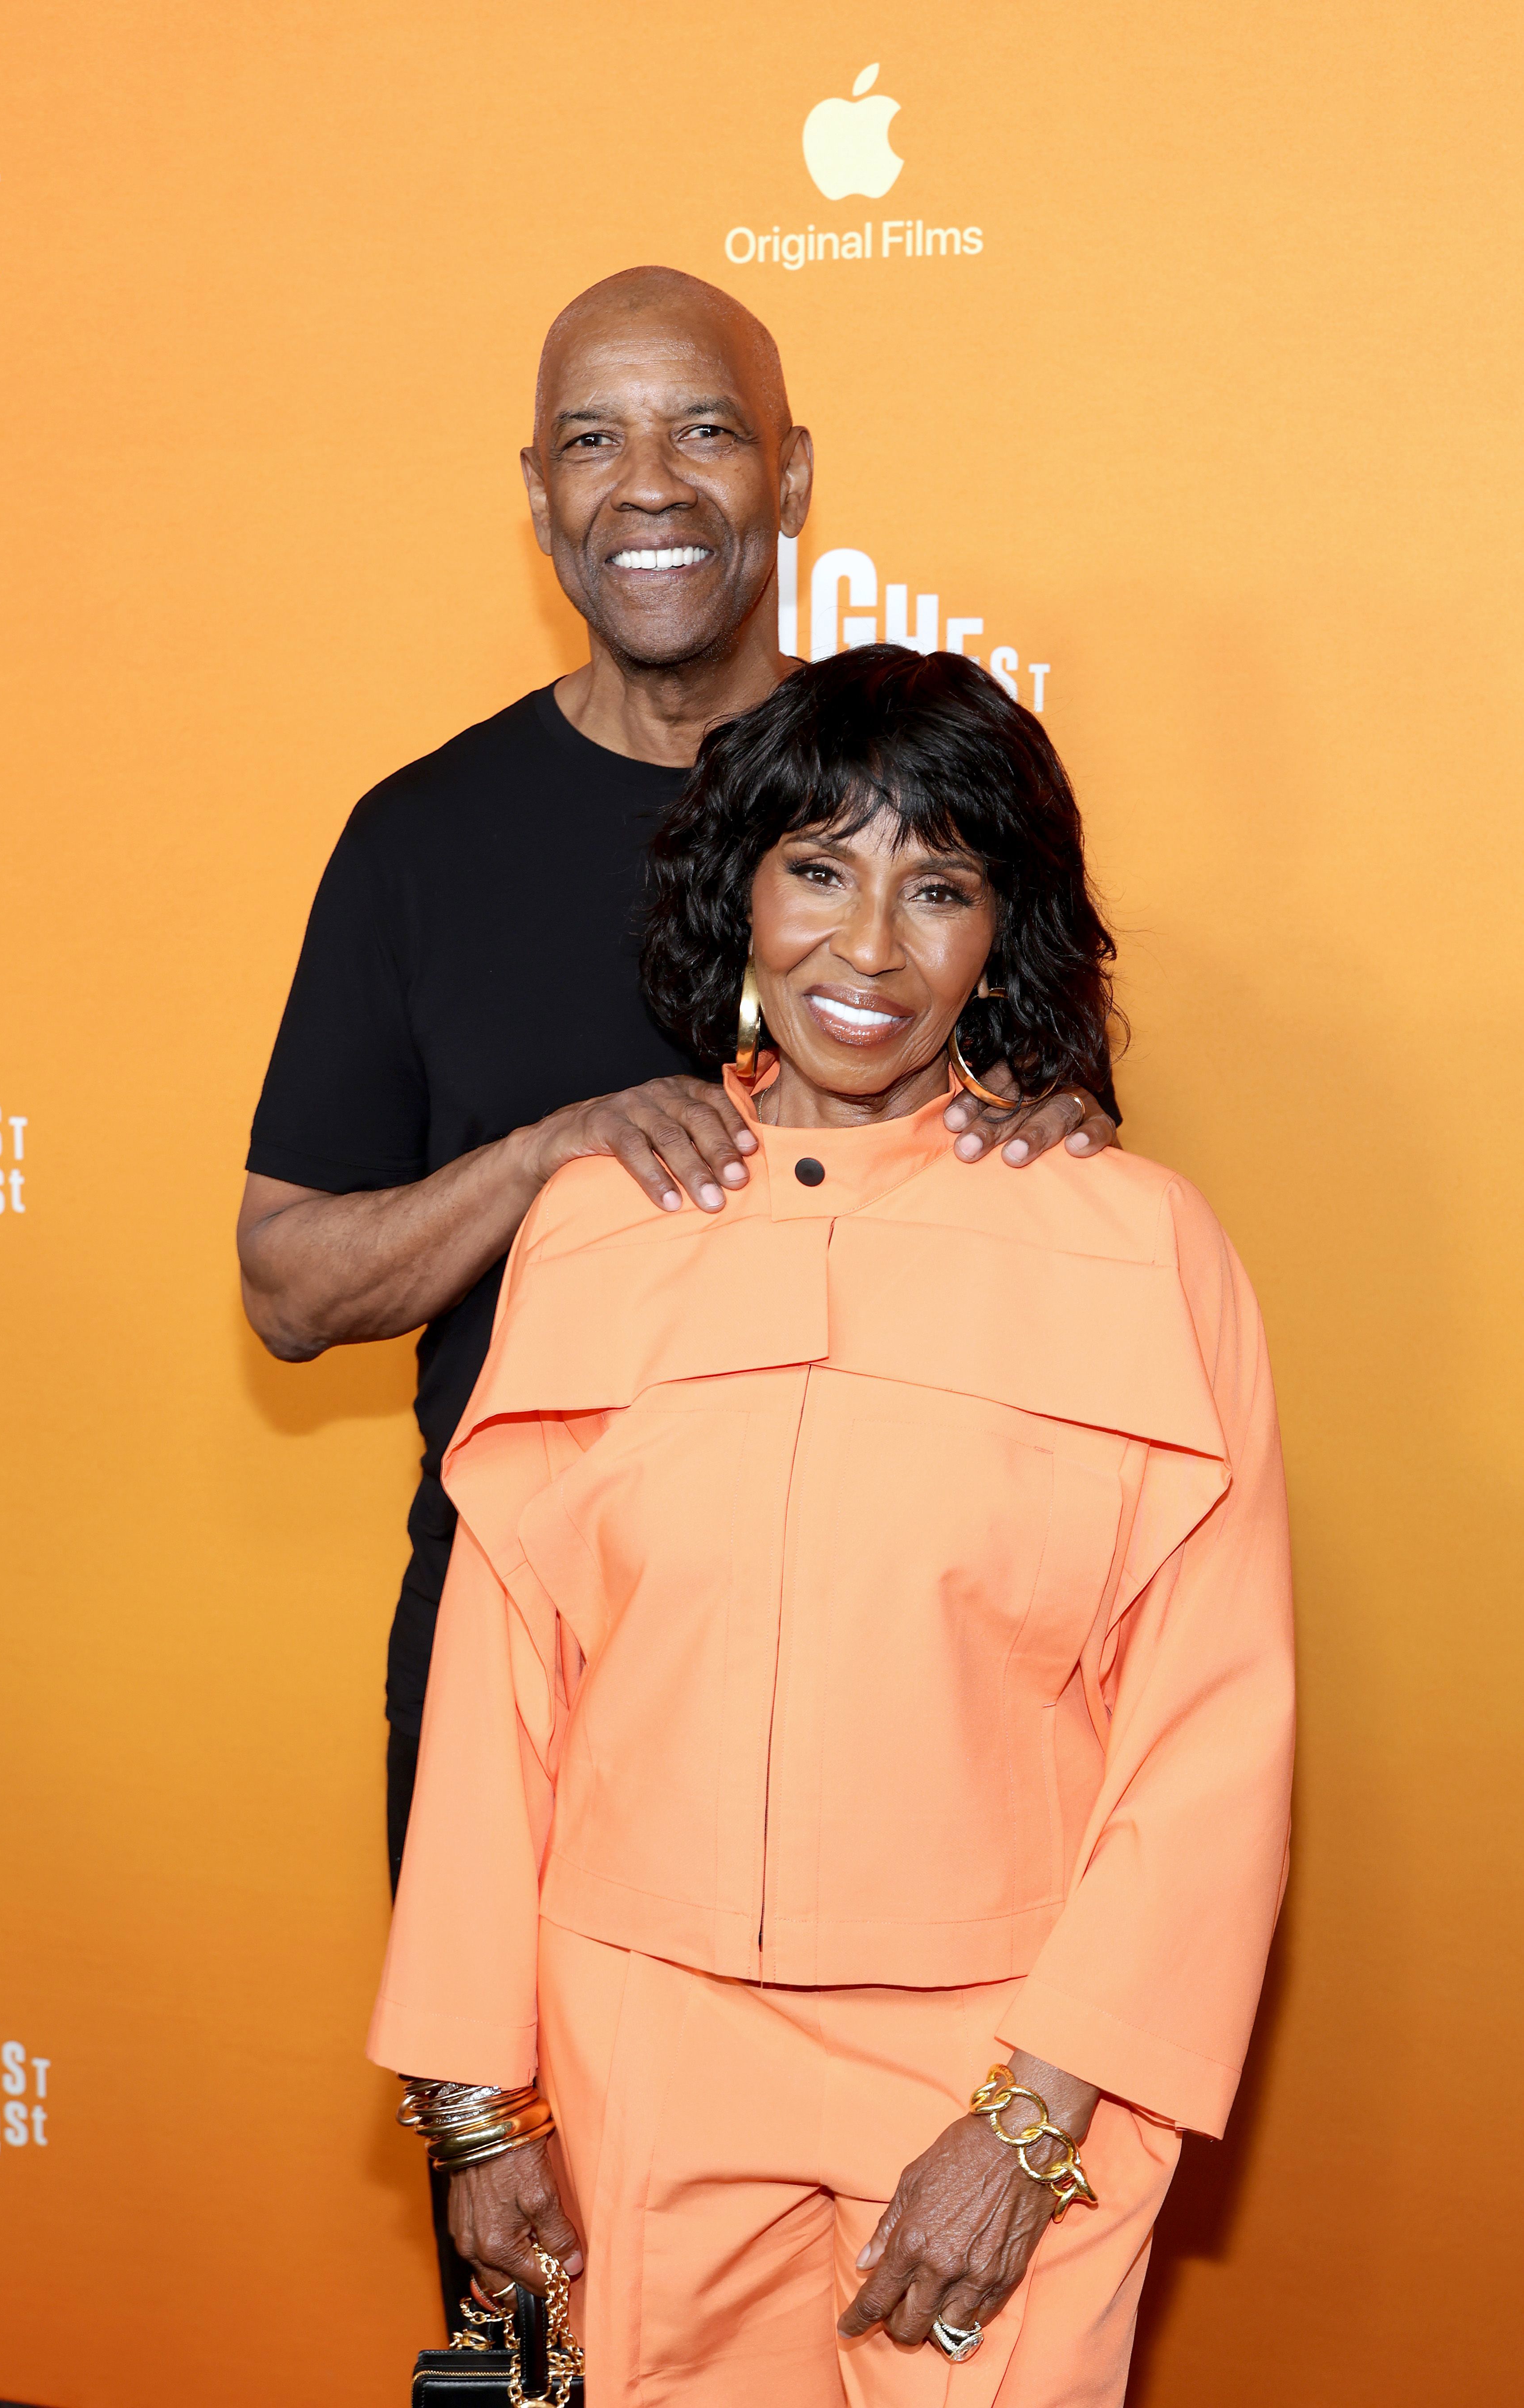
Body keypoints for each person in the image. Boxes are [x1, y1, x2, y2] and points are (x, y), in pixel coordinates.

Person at [237, 269, 1117, 2323]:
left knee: (910, 2319)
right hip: (539, 1704)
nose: (651, 484)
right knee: (549, 2301)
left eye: (705, 429)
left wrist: (1059, 1112)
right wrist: (546, 1155)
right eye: (593, 439)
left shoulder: (935, 807)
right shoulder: (419, 840)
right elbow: (287, 1276)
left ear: (790, 471)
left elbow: (1059, 1185)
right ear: (536, 496)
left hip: (914, 1764)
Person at [370, 644, 1293, 2405]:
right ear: (739, 894)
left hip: (1001, 2058)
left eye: (936, 886)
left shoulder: (1133, 1243)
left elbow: (1210, 1726)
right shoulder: (596, 1224)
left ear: (999, 934)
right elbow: (501, 1690)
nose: (867, 948)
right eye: (818, 868)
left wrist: (1034, 2118)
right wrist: (477, 2100)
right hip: (643, 2031)